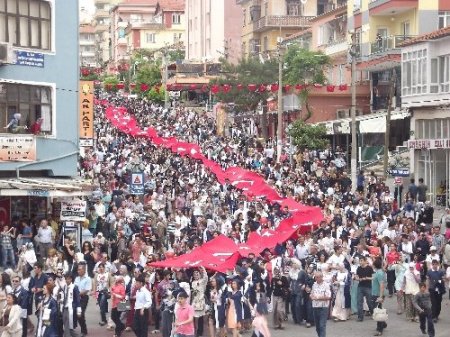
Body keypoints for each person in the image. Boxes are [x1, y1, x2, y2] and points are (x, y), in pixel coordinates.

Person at [310, 271, 331, 337]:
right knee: (317, 327)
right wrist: (311, 296)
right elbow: (311, 294)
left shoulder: (326, 285)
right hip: (315, 307)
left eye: (317, 277)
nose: (316, 278)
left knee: (322, 325)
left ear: (321, 277)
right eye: (315, 277)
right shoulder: (314, 284)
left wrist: (318, 298)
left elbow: (328, 297)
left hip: (323, 307)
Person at [74, 264, 91, 337]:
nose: (78, 271)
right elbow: (74, 287)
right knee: (78, 314)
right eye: (78, 270)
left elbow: (86, 290)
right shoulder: (76, 278)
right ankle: (84, 330)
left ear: (84, 270)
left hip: (84, 298)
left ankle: (84, 331)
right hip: (76, 298)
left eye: (80, 269)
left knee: (80, 313)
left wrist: (78, 293)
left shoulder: (88, 279)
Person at [371, 258, 387, 336]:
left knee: (378, 312)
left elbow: (381, 285)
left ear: (374, 265)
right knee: (377, 309)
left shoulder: (379, 273)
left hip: (378, 294)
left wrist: (380, 296)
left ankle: (379, 329)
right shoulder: (378, 272)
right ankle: (383, 324)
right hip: (375, 293)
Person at [356, 256, 373, 321]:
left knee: (369, 302)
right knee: (359, 301)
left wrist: (366, 278)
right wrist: (357, 278)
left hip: (368, 286)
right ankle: (360, 316)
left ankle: (372, 312)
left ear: (365, 261)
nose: (360, 262)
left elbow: (373, 277)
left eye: (361, 261)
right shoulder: (359, 268)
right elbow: (357, 276)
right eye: (360, 261)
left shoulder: (369, 268)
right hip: (360, 286)